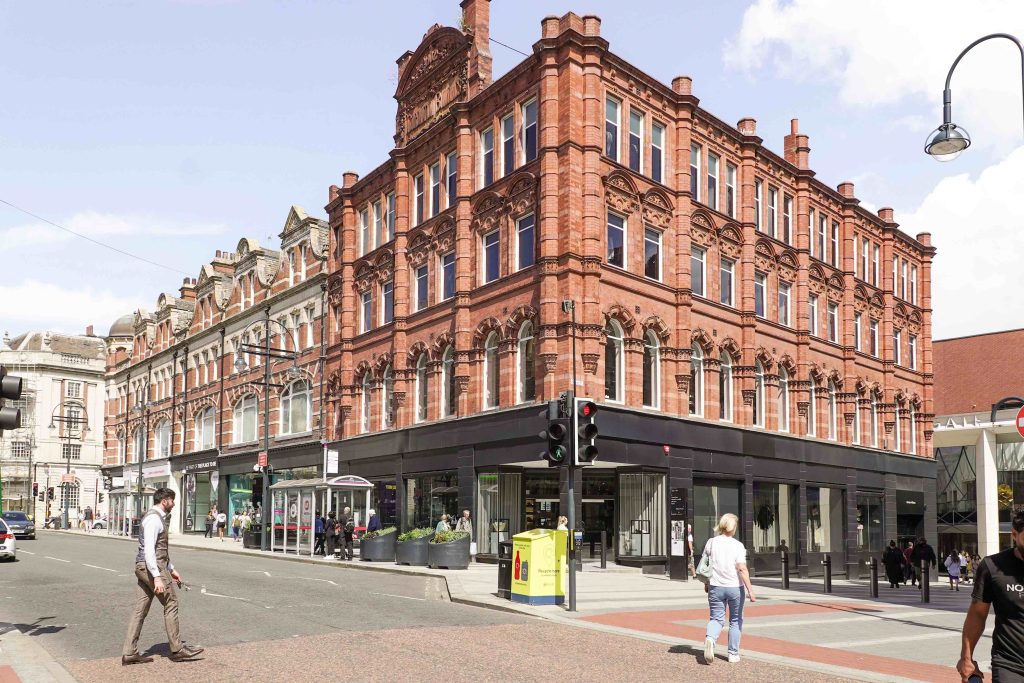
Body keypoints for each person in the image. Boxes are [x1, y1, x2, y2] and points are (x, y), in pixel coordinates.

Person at [121, 487, 203, 666]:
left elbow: (159, 549)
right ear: (164, 500)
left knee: (140, 609)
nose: (174, 504)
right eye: (172, 501)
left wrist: (171, 569)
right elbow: (150, 550)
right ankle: (177, 649)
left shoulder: (155, 518)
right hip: (151, 567)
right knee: (171, 602)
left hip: (148, 567)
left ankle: (129, 652)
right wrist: (157, 576)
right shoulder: (153, 519)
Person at [958, 511, 1024, 682]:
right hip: (1010, 664)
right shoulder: (992, 566)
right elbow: (978, 614)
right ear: (1014, 535)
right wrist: (966, 657)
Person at [702, 513, 756, 665]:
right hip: (734, 588)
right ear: (733, 528)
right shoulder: (737, 546)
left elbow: (706, 566)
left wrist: (707, 583)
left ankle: (710, 639)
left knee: (716, 618)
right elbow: (741, 569)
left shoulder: (711, 542)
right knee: (735, 620)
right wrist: (750, 590)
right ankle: (733, 654)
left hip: (715, 586)